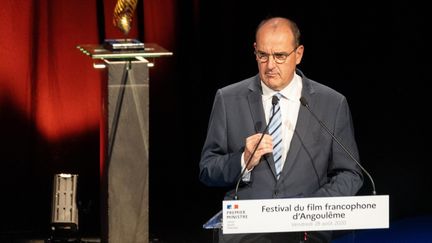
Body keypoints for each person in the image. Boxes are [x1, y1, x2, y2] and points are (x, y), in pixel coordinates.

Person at [199, 16, 364, 243]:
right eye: (263, 55)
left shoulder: (331, 103)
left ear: (299, 54)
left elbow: (350, 173)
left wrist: (313, 209)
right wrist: (242, 160)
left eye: (280, 56)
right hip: (247, 232)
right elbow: (207, 169)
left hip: (307, 231)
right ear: (254, 51)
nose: (270, 65)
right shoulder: (228, 99)